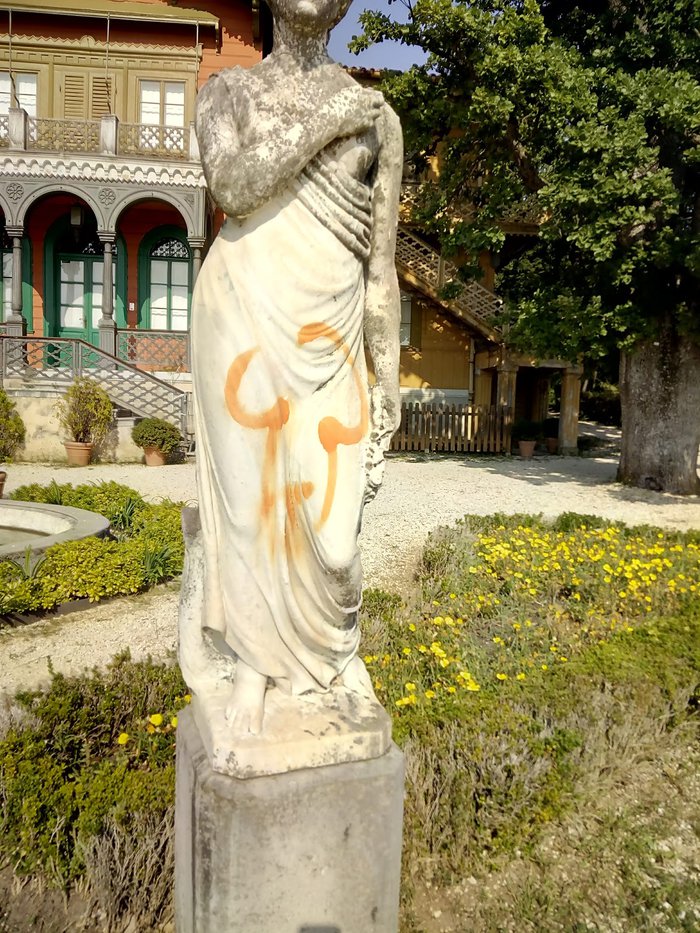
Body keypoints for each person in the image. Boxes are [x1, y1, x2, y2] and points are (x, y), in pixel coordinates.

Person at [189, 0, 402, 735]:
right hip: (240, 320)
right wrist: (328, 121)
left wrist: (388, 377)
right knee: (251, 509)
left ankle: (335, 653)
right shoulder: (228, 92)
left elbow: (381, 268)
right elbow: (232, 187)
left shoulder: (378, 117)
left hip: (332, 333)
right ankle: (254, 667)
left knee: (336, 535)